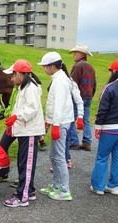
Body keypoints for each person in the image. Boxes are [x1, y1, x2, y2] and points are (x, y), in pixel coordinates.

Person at [2, 60, 45, 207]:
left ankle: (22, 197)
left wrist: (16, 117)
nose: (12, 78)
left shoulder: (30, 88)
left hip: (30, 131)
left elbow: (31, 109)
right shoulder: (23, 87)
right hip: (24, 130)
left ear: (20, 73)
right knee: (23, 162)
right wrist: (13, 121)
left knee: (26, 164)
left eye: (13, 75)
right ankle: (29, 190)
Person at [91, 60, 118, 195]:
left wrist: (98, 127)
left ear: (114, 71)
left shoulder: (109, 87)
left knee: (102, 157)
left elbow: (102, 109)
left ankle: (98, 186)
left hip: (109, 128)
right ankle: (114, 186)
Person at [38, 52, 74, 201]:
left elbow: (58, 105)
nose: (44, 69)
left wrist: (57, 125)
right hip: (59, 121)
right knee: (54, 155)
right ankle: (57, 185)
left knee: (59, 157)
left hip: (61, 122)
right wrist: (49, 121)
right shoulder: (59, 78)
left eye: (45, 66)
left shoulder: (60, 81)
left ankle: (64, 190)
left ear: (52, 66)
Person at [69, 45, 96, 151]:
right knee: (86, 120)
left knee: (71, 119)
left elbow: (72, 83)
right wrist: (91, 95)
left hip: (78, 97)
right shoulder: (91, 67)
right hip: (88, 97)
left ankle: (74, 142)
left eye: (76, 53)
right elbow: (95, 84)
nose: (74, 55)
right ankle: (87, 142)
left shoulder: (78, 66)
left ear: (82, 54)